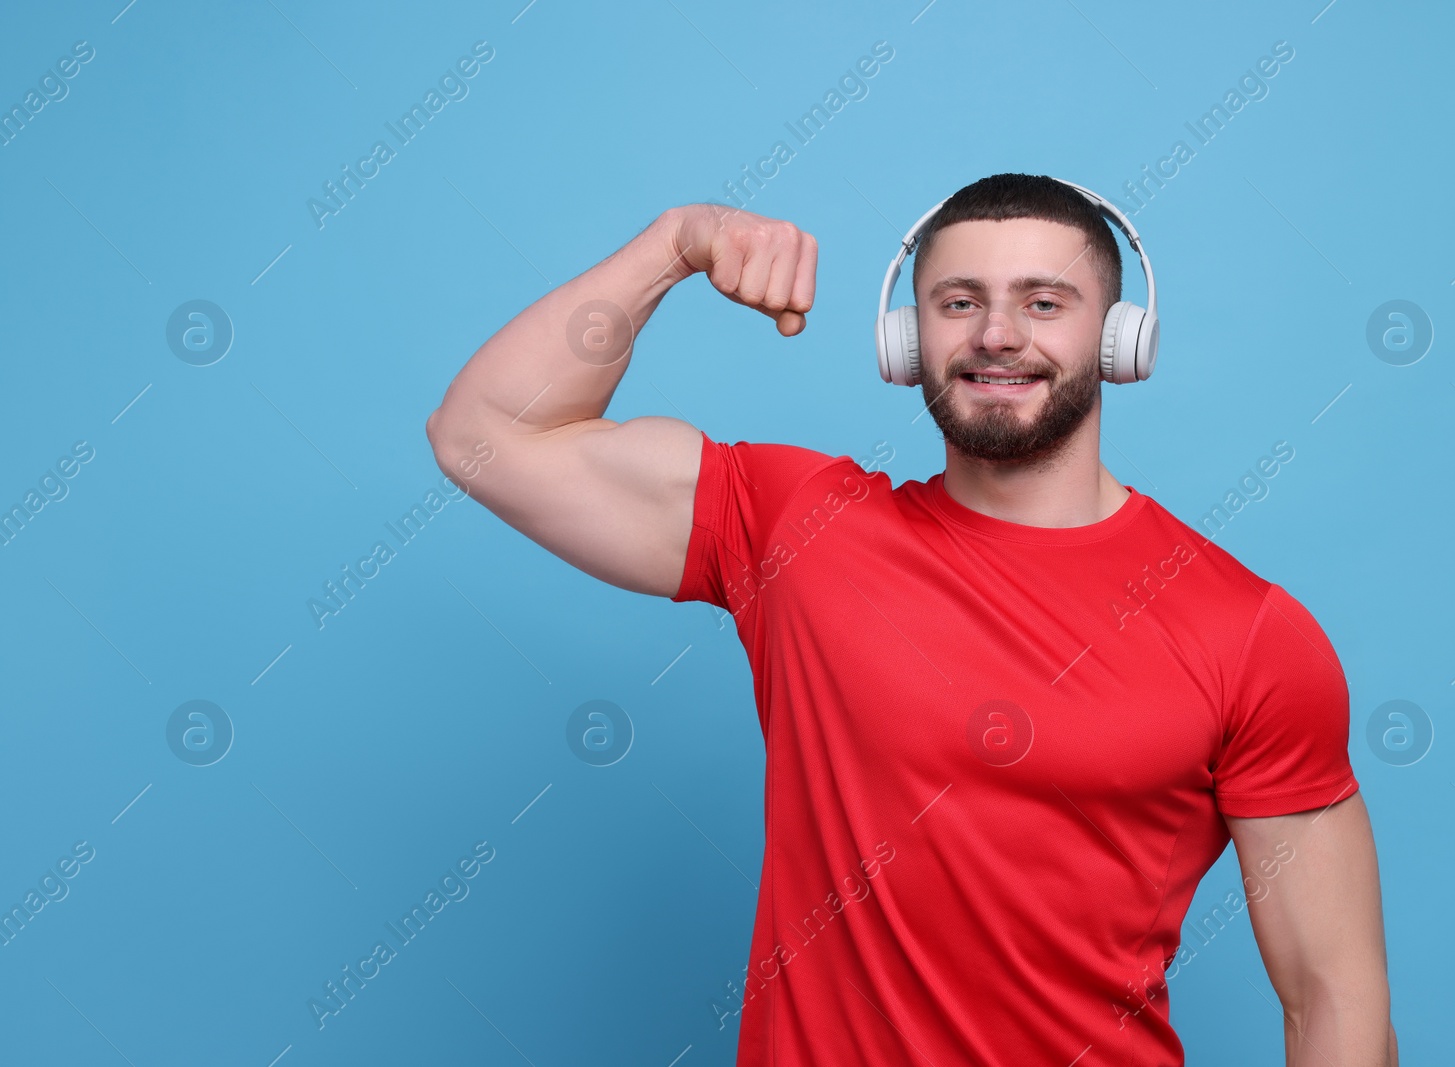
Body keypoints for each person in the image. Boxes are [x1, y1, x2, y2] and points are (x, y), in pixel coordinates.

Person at [426, 173, 1399, 1065]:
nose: (996, 334)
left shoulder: (1249, 629)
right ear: (906, 338)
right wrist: (675, 242)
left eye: (1044, 302)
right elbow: (486, 433)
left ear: (1118, 338)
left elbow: (1333, 994)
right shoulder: (799, 530)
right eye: (959, 301)